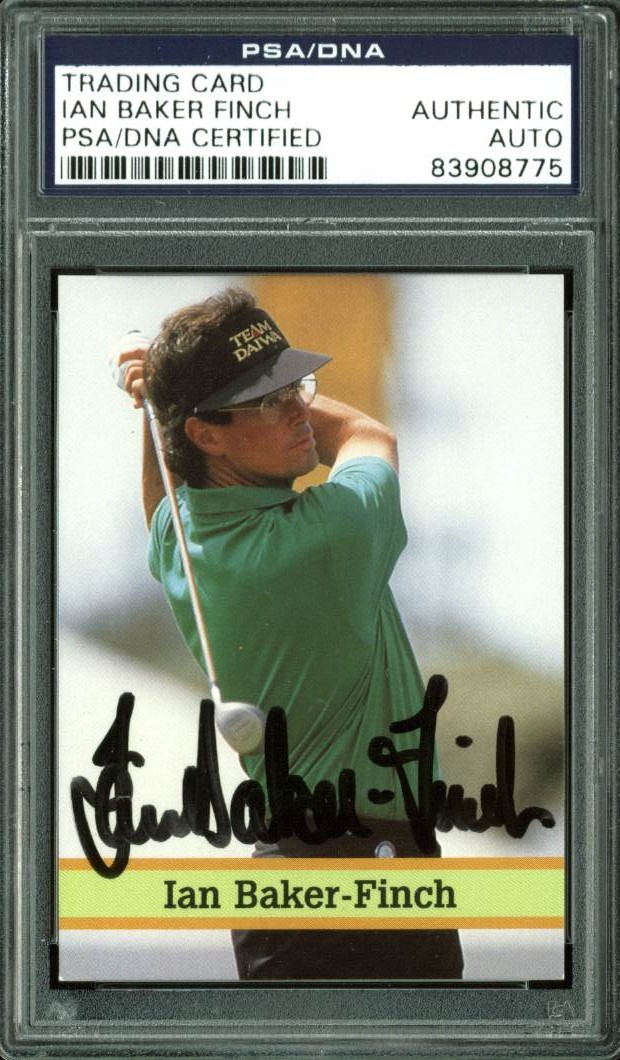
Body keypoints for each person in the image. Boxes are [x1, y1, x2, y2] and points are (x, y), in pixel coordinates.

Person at [119, 286, 463, 981]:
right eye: (269, 401)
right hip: (375, 879)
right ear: (206, 435)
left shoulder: (185, 544)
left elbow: (167, 503)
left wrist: (160, 405)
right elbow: (368, 435)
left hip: (281, 891)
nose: (300, 410)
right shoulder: (328, 538)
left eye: (296, 388)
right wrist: (162, 403)